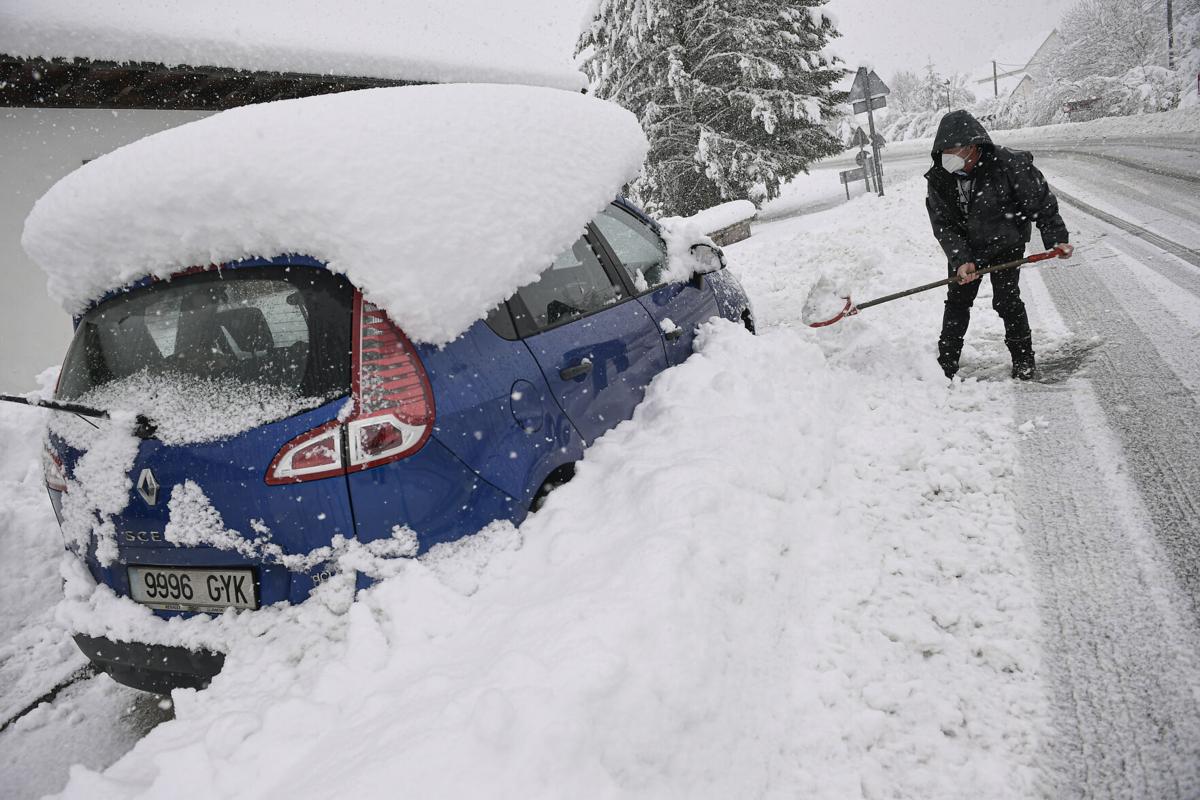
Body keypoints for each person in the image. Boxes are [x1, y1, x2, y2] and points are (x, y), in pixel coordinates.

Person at [925, 110, 1073, 380]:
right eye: (944, 150)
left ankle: (1023, 359)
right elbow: (942, 224)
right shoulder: (940, 178)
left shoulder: (1008, 164)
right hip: (967, 247)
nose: (948, 155)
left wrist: (1056, 238)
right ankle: (945, 363)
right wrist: (961, 260)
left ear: (972, 146)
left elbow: (1040, 202)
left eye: (953, 149)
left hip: (1006, 242)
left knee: (1007, 301)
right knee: (958, 302)